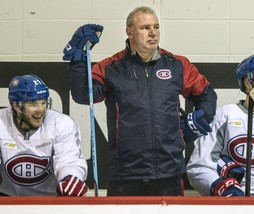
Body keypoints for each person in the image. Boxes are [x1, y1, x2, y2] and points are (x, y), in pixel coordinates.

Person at [63, 6, 217, 196]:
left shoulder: (177, 64)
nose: (153, 33)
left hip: (169, 172)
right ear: (130, 31)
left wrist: (199, 119)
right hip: (125, 175)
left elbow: (207, 94)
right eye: (145, 28)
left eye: (156, 27)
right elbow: (84, 95)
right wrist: (79, 60)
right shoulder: (111, 68)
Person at [186, 54, 254, 197]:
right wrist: (227, 192)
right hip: (231, 201)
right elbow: (198, 166)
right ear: (247, 82)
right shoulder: (225, 116)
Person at [0, 74, 89, 196]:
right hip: (8, 200)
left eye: (43, 102)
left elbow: (69, 161)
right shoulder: (1, 121)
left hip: (50, 201)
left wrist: (71, 176)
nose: (41, 110)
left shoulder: (61, 123)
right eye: (33, 104)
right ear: (16, 106)